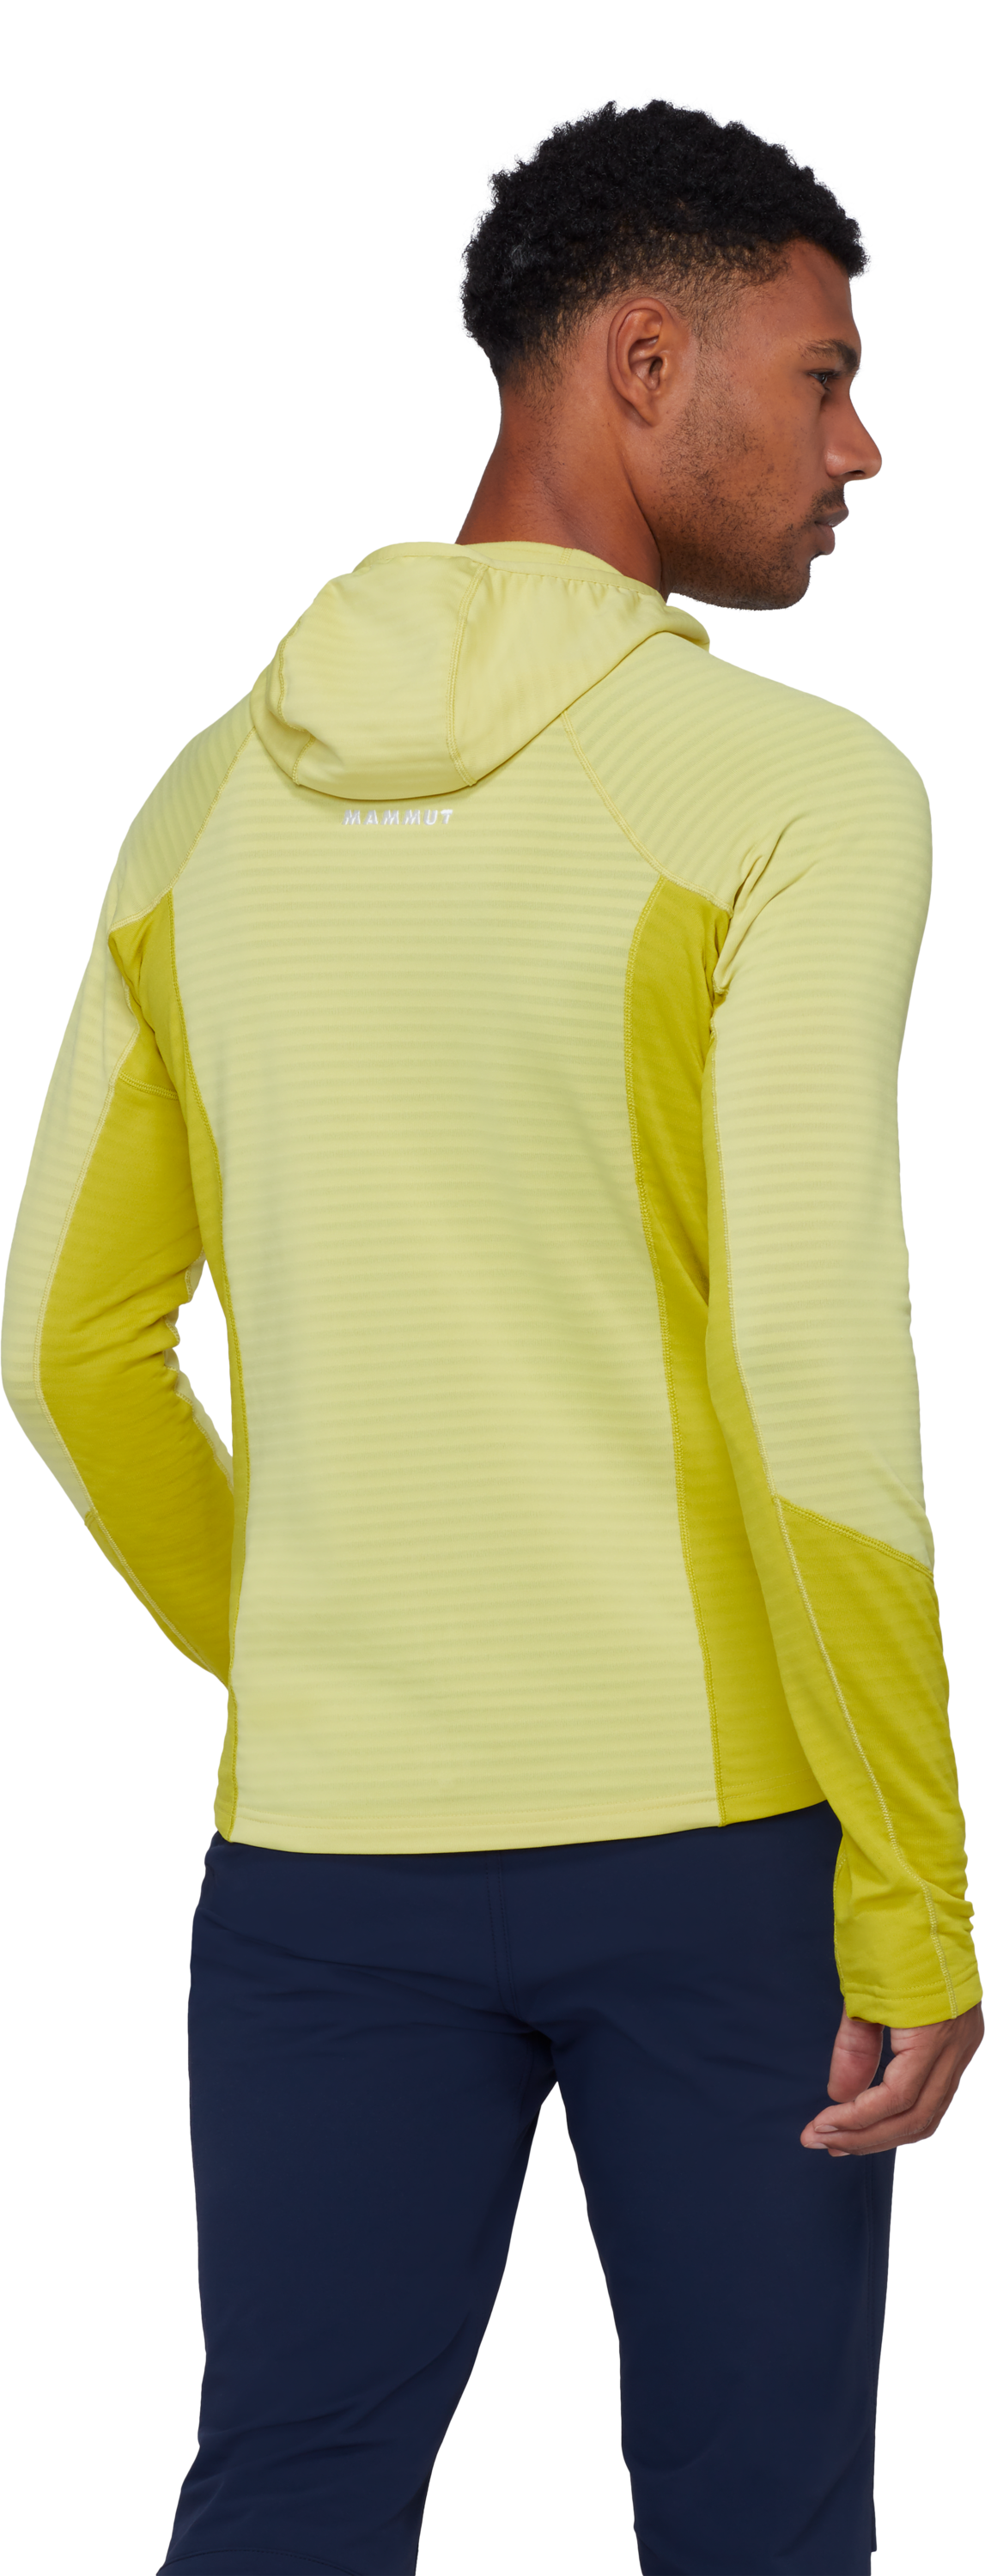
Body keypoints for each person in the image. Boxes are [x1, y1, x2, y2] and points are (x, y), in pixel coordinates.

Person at [1, 88, 980, 2576]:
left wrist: (313, 1658)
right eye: (826, 375)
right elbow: (815, 1369)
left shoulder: (202, 803)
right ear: (643, 363)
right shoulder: (791, 791)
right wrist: (914, 1886)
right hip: (721, 1850)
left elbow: (67, 1354)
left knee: (290, 2500)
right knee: (758, 2524)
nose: (859, 447)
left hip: (322, 1857)